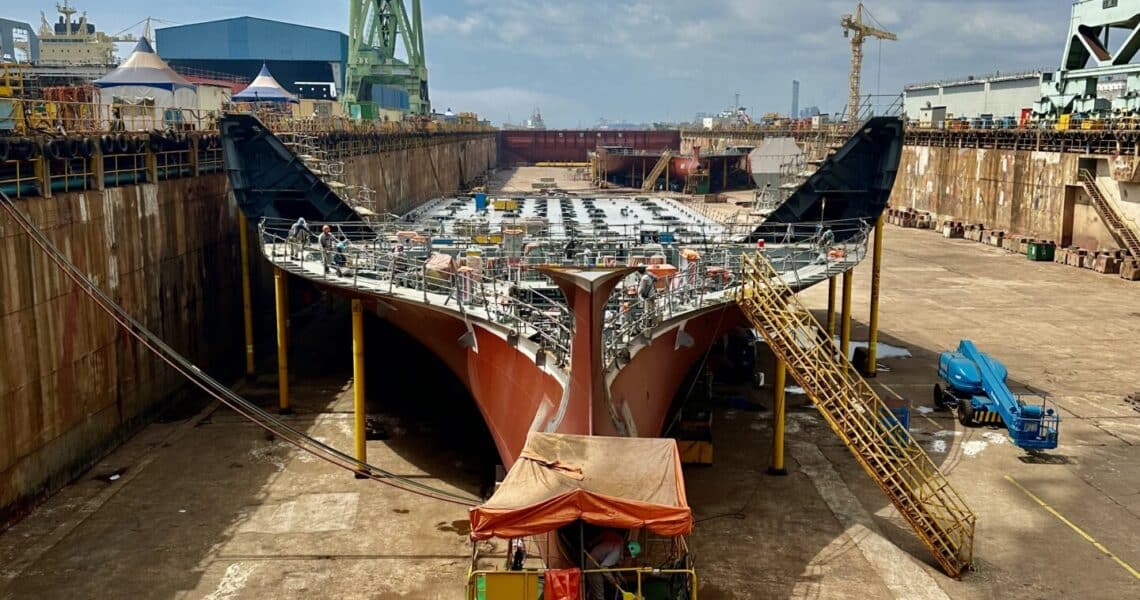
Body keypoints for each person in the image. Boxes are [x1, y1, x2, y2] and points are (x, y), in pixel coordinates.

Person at [585, 529, 640, 600]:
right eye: (629, 555)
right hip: (593, 563)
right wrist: (612, 580)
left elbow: (613, 564)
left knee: (595, 590)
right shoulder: (617, 552)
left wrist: (620, 576)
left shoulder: (619, 546)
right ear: (627, 551)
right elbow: (603, 567)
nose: (627, 557)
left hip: (598, 562)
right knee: (599, 592)